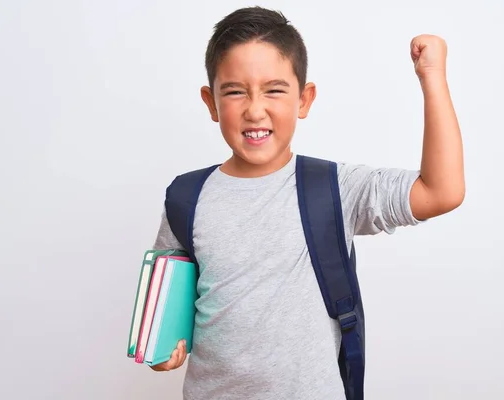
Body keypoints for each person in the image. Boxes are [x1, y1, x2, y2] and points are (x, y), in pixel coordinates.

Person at [149, 5, 464, 400]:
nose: (255, 109)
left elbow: (442, 191)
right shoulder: (185, 197)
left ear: (304, 98)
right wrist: (163, 349)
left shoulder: (334, 187)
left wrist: (432, 78)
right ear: (211, 102)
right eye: (234, 91)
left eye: (274, 89)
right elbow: (166, 304)